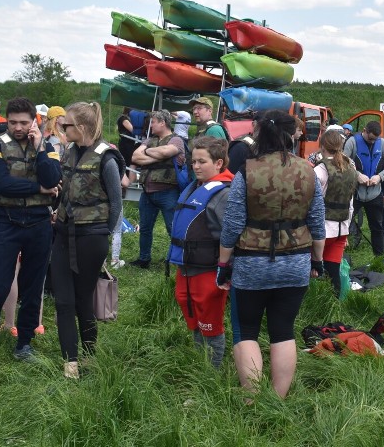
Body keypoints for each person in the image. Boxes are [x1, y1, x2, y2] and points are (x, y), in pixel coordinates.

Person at [217, 109, 326, 399]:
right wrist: (317, 261)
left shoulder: (247, 171)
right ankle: (277, 400)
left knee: (247, 331)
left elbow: (232, 224)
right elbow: (317, 223)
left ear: (260, 132)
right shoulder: (308, 170)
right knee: (283, 330)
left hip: (251, 263)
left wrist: (223, 263)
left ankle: (251, 400)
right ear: (292, 134)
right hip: (296, 261)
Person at [0, 98, 62, 363]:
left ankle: (24, 343)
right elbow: (2, 185)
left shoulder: (48, 146)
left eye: (24, 122)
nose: (18, 127)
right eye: (13, 122)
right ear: (7, 121)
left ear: (35, 120)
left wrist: (39, 148)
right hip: (7, 222)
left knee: (33, 287)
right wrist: (39, 189)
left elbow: (51, 178)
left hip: (39, 224)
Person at [50, 102, 125, 379]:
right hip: (62, 234)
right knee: (64, 301)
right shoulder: (69, 152)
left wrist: (102, 234)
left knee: (83, 300)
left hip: (91, 238)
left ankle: (90, 357)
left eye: (65, 125)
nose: (61, 128)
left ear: (80, 127)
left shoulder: (106, 158)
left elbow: (116, 204)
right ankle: (70, 365)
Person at [169, 136, 235, 368]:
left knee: (210, 325)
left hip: (208, 270)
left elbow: (232, 235)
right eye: (193, 161)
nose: (195, 166)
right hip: (186, 268)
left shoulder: (224, 194)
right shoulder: (194, 187)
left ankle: (211, 374)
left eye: (201, 161)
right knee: (194, 321)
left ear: (219, 163)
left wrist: (227, 271)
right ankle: (200, 364)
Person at [130, 109, 185, 268]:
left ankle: (179, 260)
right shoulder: (149, 140)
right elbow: (135, 157)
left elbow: (167, 151)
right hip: (147, 192)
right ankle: (144, 259)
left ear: (163, 123)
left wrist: (146, 153)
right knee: (145, 228)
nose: (151, 125)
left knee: (173, 228)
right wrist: (156, 154)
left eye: (153, 122)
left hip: (168, 192)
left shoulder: (176, 140)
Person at [312, 129, 358, 295]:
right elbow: (350, 203)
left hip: (323, 231)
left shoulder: (320, 170)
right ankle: (335, 306)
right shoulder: (350, 167)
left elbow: (313, 205)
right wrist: (346, 228)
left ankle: (313, 305)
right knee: (333, 273)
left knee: (313, 270)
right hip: (341, 230)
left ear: (322, 146)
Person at [343, 121, 384, 256]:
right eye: (370, 138)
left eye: (375, 139)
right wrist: (357, 175)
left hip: (375, 193)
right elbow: (342, 163)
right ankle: (338, 258)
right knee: (344, 223)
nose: (372, 141)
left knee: (377, 227)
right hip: (354, 193)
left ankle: (379, 258)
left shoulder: (382, 143)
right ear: (364, 131)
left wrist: (380, 177)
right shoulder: (352, 142)